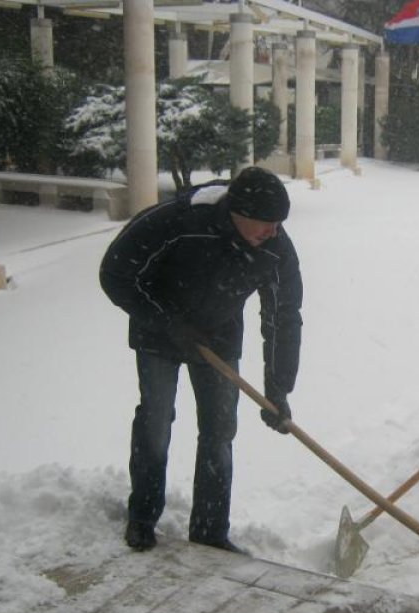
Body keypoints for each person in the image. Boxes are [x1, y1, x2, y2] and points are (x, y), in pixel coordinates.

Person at [100, 167, 302, 553]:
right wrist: (165, 322)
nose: (274, 232)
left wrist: (277, 386)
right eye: (267, 223)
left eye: (279, 224)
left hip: (218, 336)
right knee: (156, 419)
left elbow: (283, 316)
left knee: (219, 430)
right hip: (159, 332)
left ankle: (209, 531)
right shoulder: (179, 220)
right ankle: (142, 516)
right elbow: (114, 273)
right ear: (237, 213)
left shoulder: (275, 248)